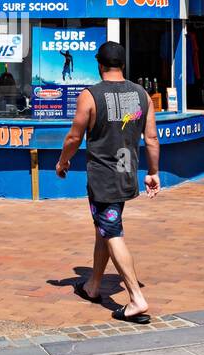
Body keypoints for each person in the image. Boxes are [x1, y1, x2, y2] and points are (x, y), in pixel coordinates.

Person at [55, 41, 160, 324]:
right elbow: (151, 138)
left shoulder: (90, 96)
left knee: (112, 232)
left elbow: (74, 137)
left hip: (103, 179)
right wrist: (153, 172)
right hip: (127, 174)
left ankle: (136, 298)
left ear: (99, 64)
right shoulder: (142, 95)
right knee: (104, 227)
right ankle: (92, 286)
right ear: (122, 64)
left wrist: (63, 161)